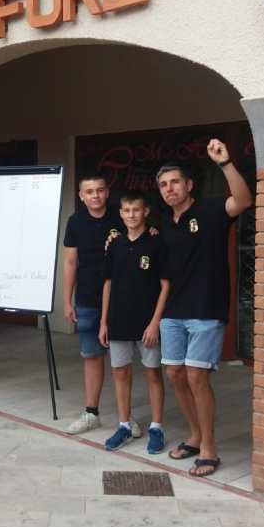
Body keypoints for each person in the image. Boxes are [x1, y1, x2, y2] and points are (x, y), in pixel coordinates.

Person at [156, 139, 252, 477]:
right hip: (173, 310)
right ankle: (195, 436)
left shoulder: (210, 211)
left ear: (189, 185)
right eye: (164, 185)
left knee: (197, 376)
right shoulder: (164, 222)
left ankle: (209, 447)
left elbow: (243, 201)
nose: (170, 189)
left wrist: (225, 163)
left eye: (175, 182)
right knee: (175, 374)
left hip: (206, 308)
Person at [62, 172, 139, 436]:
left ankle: (126, 418)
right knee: (92, 356)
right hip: (86, 298)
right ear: (81, 196)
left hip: (121, 298)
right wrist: (67, 301)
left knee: (121, 361)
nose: (95, 195)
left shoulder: (121, 216)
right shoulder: (75, 222)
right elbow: (70, 262)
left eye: (100, 190)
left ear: (107, 192)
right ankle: (91, 413)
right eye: (89, 191)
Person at [98, 191, 170, 454]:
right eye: (127, 210)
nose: (131, 215)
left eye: (136, 210)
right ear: (121, 213)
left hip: (146, 323)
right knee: (120, 373)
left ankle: (156, 427)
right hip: (118, 320)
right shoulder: (115, 244)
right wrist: (104, 322)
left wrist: (155, 323)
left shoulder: (156, 243)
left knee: (152, 373)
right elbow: (107, 284)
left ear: (145, 211)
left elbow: (165, 286)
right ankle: (124, 425)